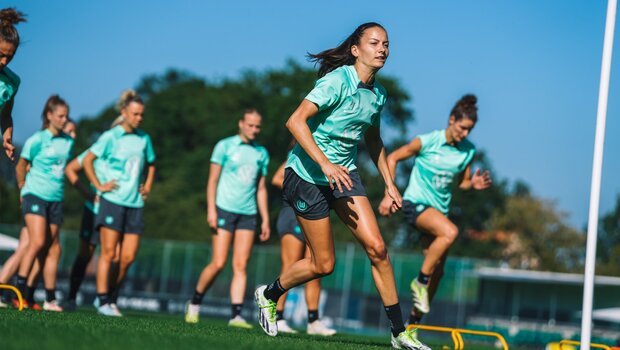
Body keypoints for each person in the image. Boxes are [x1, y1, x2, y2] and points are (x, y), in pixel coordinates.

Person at [253, 22, 429, 350]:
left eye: (386, 44)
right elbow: (294, 121)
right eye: (374, 43)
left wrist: (390, 184)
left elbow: (374, 140)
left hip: (344, 176)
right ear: (355, 50)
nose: (382, 49)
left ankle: (398, 332)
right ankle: (269, 294)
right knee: (324, 265)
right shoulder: (337, 81)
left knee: (378, 249)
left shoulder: (378, 94)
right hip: (306, 176)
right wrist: (324, 163)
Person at [378, 94, 492, 325]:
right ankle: (419, 282)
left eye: (470, 130)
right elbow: (392, 158)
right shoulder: (427, 141)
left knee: (438, 273)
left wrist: (474, 184)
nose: (465, 134)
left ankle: (410, 328)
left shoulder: (467, 151)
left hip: (439, 213)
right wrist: (388, 194)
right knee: (450, 232)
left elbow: (462, 182)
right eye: (462, 128)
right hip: (415, 204)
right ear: (451, 120)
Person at [185, 108, 270, 329]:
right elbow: (212, 180)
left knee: (241, 265)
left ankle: (236, 315)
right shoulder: (224, 146)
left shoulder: (261, 153)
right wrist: (211, 210)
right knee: (219, 262)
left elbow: (261, 188)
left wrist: (265, 219)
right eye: (250, 125)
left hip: (248, 213)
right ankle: (195, 302)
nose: (254, 130)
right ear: (240, 124)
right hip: (224, 209)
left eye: (257, 126)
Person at [83, 90, 156, 317]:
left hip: (135, 204)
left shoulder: (144, 138)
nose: (139, 119)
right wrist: (99, 185)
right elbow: (88, 160)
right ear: (124, 113)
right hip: (112, 201)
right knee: (109, 254)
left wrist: (148, 185)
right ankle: (103, 300)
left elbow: (152, 164)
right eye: (135, 114)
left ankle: (111, 297)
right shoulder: (111, 137)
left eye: (141, 115)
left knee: (127, 258)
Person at [0, 120, 76, 310]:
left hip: (49, 202)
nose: (72, 135)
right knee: (27, 249)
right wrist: (24, 190)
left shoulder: (64, 147)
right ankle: (11, 291)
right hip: (36, 201)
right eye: (70, 131)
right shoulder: (44, 143)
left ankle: (26, 294)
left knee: (35, 248)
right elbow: (25, 167)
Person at [271, 156, 336, 336]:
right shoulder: (296, 156)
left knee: (317, 267)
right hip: (293, 214)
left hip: (314, 213)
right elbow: (276, 178)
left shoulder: (326, 156)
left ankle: (313, 320)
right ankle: (278, 316)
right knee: (289, 265)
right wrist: (300, 191)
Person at [64, 116, 123, 310]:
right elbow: (71, 169)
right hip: (94, 210)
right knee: (85, 254)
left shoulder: (126, 154)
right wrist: (88, 193)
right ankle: (71, 297)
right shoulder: (96, 150)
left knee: (116, 256)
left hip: (116, 210)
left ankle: (106, 298)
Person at [0, 7, 25, 160]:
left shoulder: (12, 82)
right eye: (1, 55)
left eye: (9, 57)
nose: (4, 62)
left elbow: (5, 115)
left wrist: (7, 137)